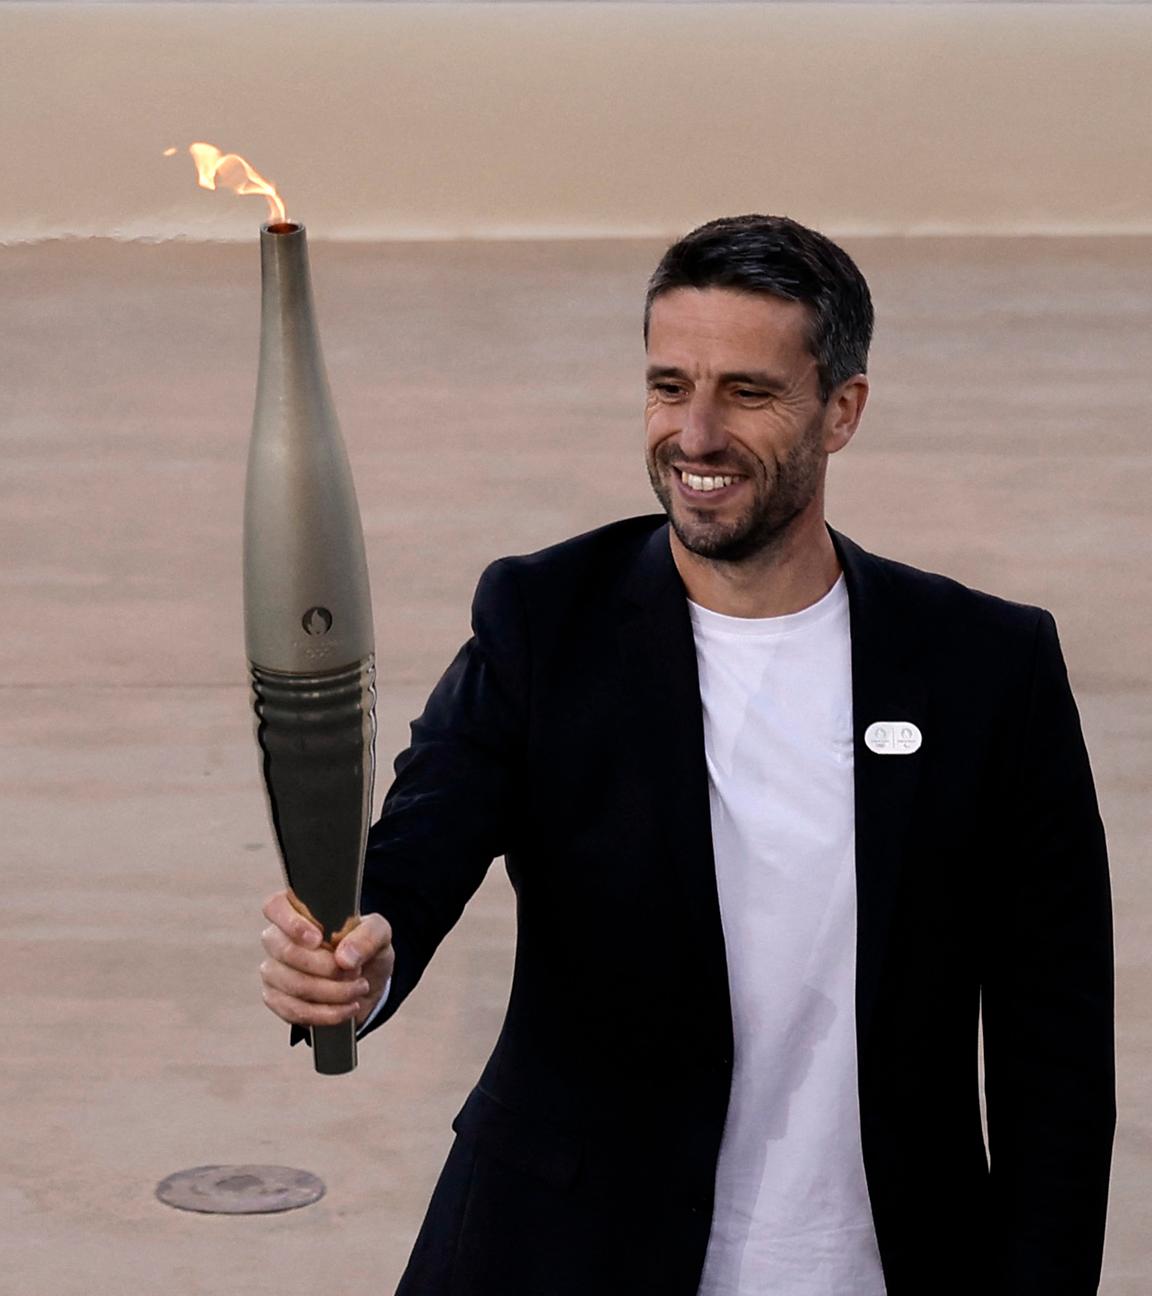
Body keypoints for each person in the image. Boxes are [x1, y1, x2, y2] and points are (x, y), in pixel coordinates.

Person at [258, 215, 1115, 1295]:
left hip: (879, 1264)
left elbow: (1056, 1059)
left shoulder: (990, 667)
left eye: (748, 394)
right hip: (570, 1255)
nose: (696, 434)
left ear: (841, 411)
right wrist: (358, 956)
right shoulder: (545, 619)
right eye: (670, 386)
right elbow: (422, 842)